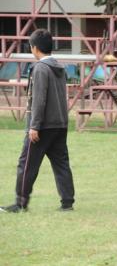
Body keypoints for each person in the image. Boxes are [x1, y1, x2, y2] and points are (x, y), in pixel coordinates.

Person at [0, 29, 75, 213]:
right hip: (60, 124)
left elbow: (39, 99)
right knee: (61, 163)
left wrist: (34, 125)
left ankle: (20, 202)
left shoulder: (40, 68)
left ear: (34, 48)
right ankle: (67, 202)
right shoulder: (59, 66)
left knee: (26, 164)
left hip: (42, 126)